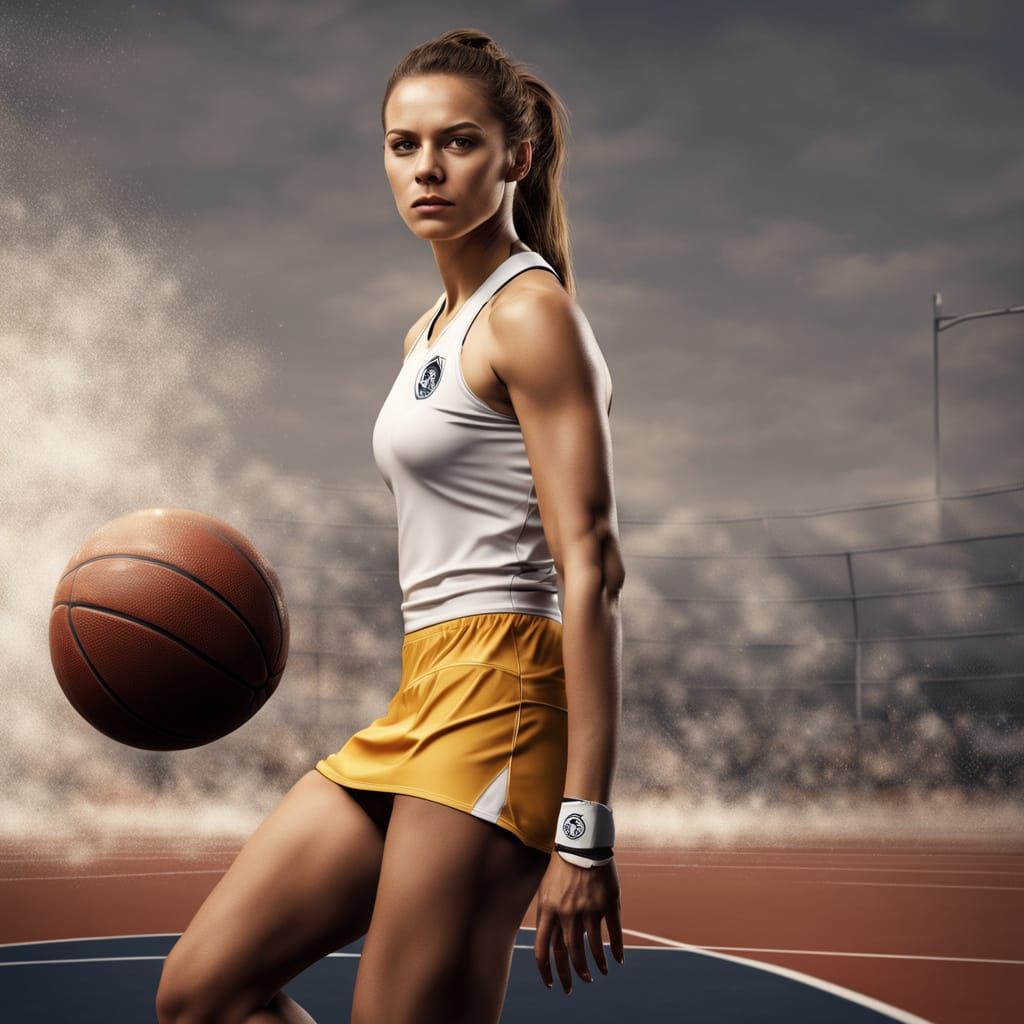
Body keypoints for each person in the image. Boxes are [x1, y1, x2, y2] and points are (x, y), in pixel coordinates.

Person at [156, 27, 625, 1024]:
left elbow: (590, 567)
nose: (427, 168)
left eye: (457, 142)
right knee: (201, 994)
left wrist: (583, 827)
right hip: (423, 692)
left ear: (517, 156)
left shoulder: (529, 317)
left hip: (504, 700)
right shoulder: (427, 331)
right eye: (402, 144)